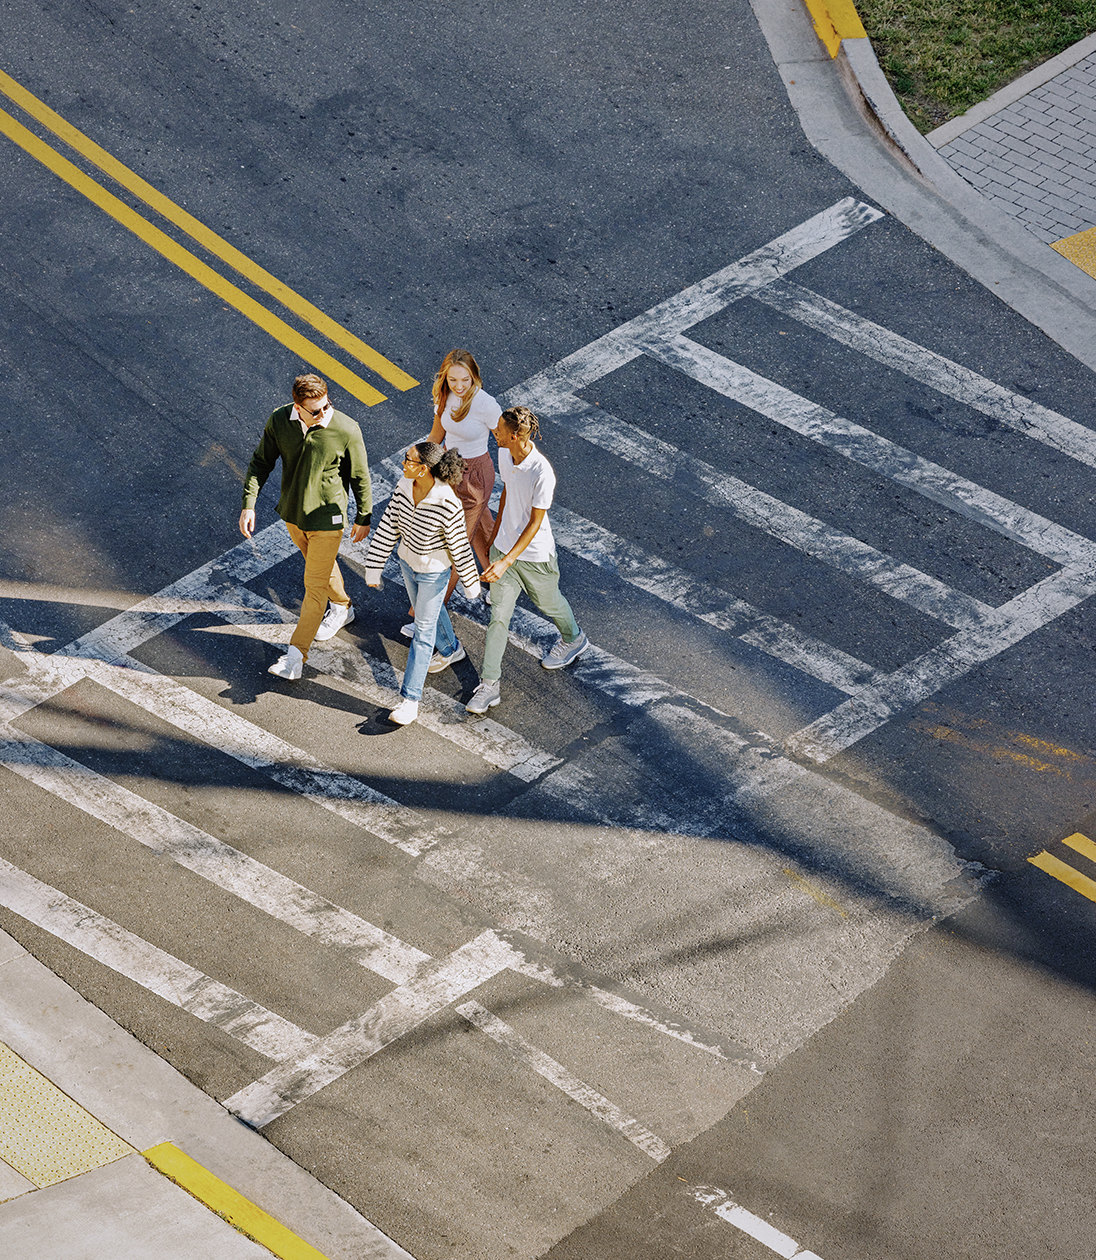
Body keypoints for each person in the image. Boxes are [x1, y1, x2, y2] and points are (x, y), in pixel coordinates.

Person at [239, 373, 371, 680]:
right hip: (294, 515)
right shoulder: (279, 421)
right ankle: (343, 606)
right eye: (315, 410)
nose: (324, 414)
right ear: (297, 407)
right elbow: (261, 462)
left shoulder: (346, 429)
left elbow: (360, 477)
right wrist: (249, 503)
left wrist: (364, 516)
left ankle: (295, 657)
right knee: (319, 568)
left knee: (313, 588)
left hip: (329, 518)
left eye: (326, 406)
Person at [465, 406, 588, 715]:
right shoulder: (507, 455)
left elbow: (535, 523)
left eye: (499, 431)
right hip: (505, 551)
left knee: (549, 604)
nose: (494, 434)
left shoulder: (542, 472)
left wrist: (507, 561)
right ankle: (489, 685)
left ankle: (574, 639)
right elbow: (507, 489)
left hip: (534, 558)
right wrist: (495, 537)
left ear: (516, 435)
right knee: (499, 619)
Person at [363, 442, 481, 726]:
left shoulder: (447, 502)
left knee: (423, 632)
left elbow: (459, 546)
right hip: (407, 563)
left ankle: (410, 700)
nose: (403, 463)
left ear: (424, 468)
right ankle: (452, 649)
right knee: (427, 611)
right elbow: (389, 525)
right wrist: (374, 567)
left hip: (433, 572)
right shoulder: (404, 486)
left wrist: (470, 582)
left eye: (408, 460)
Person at [400, 349, 501, 633]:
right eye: (453, 379)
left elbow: (503, 439)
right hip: (449, 469)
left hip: (476, 478)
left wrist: (517, 475)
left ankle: (427, 616)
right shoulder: (444, 397)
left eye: (465, 380)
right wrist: (420, 468)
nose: (459, 386)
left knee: (453, 543)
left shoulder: (485, 404)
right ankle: (499, 581)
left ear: (474, 377)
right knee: (481, 529)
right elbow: (436, 436)